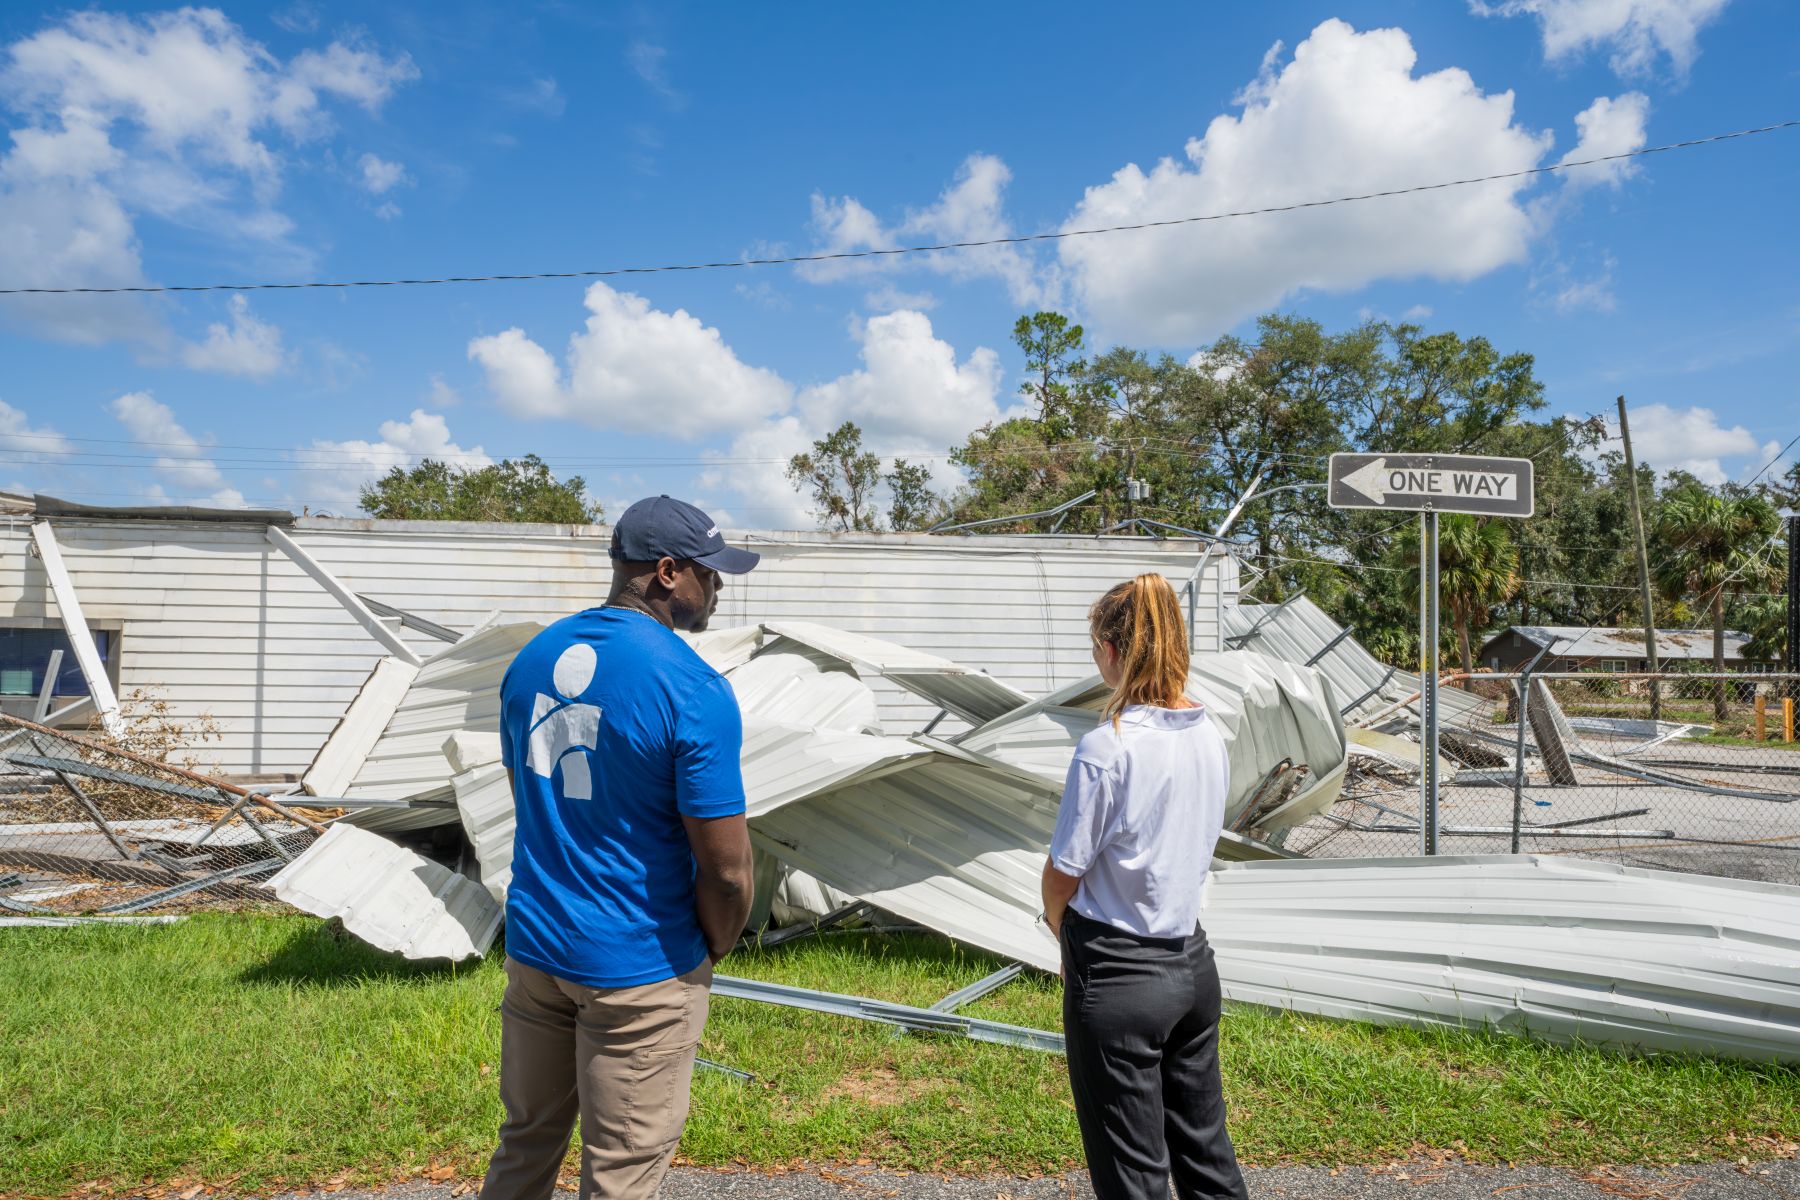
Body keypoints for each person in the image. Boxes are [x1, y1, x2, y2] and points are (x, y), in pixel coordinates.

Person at [480, 495, 757, 1200]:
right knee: (623, 1173)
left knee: (525, 1144)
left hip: (537, 952)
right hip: (638, 968)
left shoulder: (532, 658)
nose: (718, 587)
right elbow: (726, 871)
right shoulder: (691, 687)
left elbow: (528, 800)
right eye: (710, 573)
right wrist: (711, 951)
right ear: (668, 572)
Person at [1040, 573, 1249, 1200]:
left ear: (1111, 651)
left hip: (1118, 971)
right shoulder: (1210, 735)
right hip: (1191, 964)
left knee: (1132, 1170)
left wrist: (1058, 923)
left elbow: (1064, 871)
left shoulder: (1108, 748)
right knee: (1204, 1151)